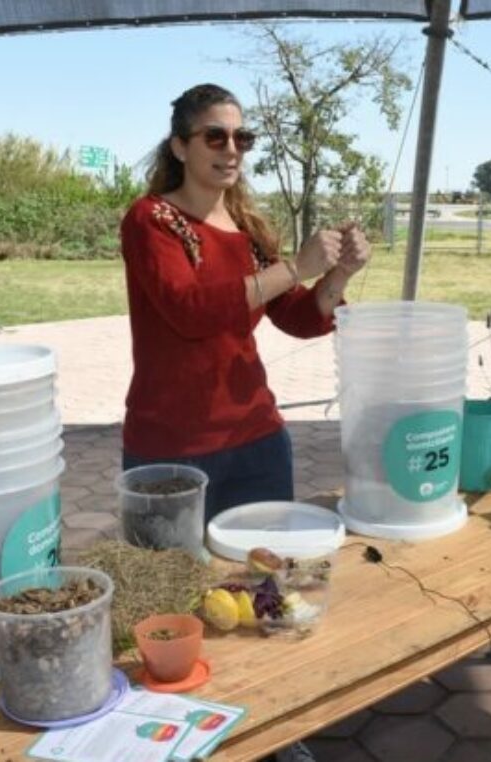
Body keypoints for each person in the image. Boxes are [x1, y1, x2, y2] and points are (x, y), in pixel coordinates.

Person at [119, 83, 371, 523]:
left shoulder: (248, 229)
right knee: (173, 586)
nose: (232, 149)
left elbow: (298, 317)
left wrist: (339, 272)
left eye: (243, 138)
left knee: (263, 582)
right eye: (215, 136)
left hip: (256, 442)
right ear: (180, 147)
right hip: (169, 449)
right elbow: (190, 311)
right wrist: (294, 267)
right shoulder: (151, 219)